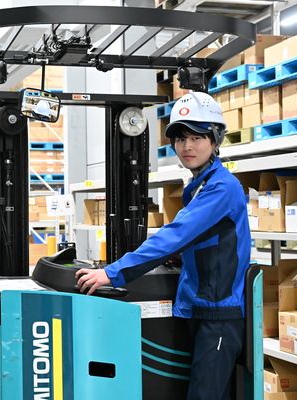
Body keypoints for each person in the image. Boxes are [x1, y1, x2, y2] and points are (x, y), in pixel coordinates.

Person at [75, 91, 251, 400]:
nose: (187, 146)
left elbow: (175, 235)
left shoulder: (222, 187)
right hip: (202, 310)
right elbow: (202, 241)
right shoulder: (199, 185)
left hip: (219, 317)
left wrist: (112, 273)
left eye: (197, 137)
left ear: (215, 139)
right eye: (180, 139)